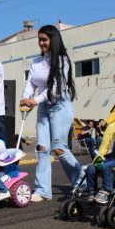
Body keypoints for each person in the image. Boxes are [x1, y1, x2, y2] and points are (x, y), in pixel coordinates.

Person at [20, 25, 84, 202]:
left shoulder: (62, 61)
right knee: (41, 148)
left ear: (53, 40)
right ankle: (42, 190)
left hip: (60, 106)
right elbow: (30, 83)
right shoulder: (35, 62)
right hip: (43, 108)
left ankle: (81, 179)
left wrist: (35, 100)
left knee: (59, 148)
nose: (41, 43)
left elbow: (56, 88)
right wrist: (25, 97)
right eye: (39, 39)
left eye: (44, 40)